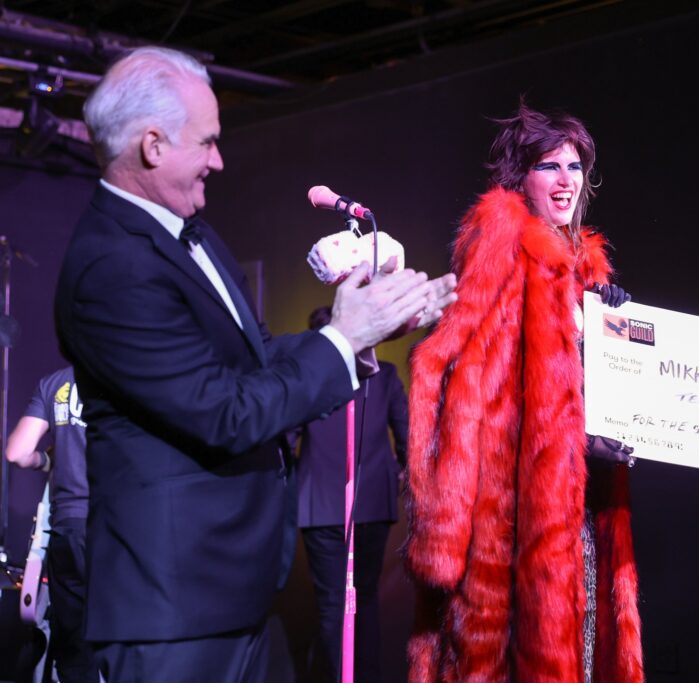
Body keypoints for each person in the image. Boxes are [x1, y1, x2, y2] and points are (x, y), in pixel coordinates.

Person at [53, 46, 455, 682]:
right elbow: (224, 412)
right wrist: (341, 337)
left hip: (233, 595)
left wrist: (367, 333)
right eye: (207, 142)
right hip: (173, 612)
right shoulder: (111, 267)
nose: (218, 160)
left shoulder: (190, 233)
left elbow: (257, 360)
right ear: (153, 146)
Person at [404, 102, 643, 683]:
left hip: (578, 500)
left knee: (580, 646)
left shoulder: (582, 271)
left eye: (575, 166)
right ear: (520, 176)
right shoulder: (506, 249)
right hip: (516, 511)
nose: (566, 180)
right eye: (548, 166)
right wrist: (576, 440)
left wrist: (618, 333)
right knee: (518, 651)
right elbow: (484, 391)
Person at [296, 306, 409, 683]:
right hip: (371, 503)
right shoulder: (385, 376)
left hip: (319, 504)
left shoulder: (308, 378)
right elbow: (408, 437)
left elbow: (287, 436)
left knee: (333, 604)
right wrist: (404, 470)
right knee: (364, 599)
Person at [6, 366, 99, 683]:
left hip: (68, 526)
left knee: (73, 646)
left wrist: (45, 460)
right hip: (115, 525)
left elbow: (17, 452)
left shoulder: (56, 383)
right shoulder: (125, 371)